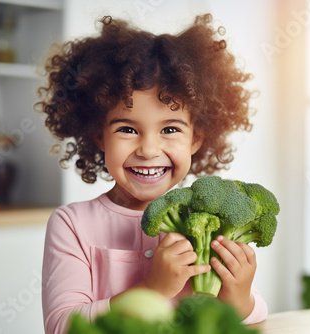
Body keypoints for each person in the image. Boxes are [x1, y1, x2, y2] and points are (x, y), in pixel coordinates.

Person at [36, 13, 268, 334]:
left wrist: (240, 294)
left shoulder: (207, 221)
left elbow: (251, 319)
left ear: (196, 139)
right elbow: (62, 326)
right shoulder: (72, 225)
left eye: (170, 129)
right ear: (99, 137)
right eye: (128, 129)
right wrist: (153, 287)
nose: (148, 149)